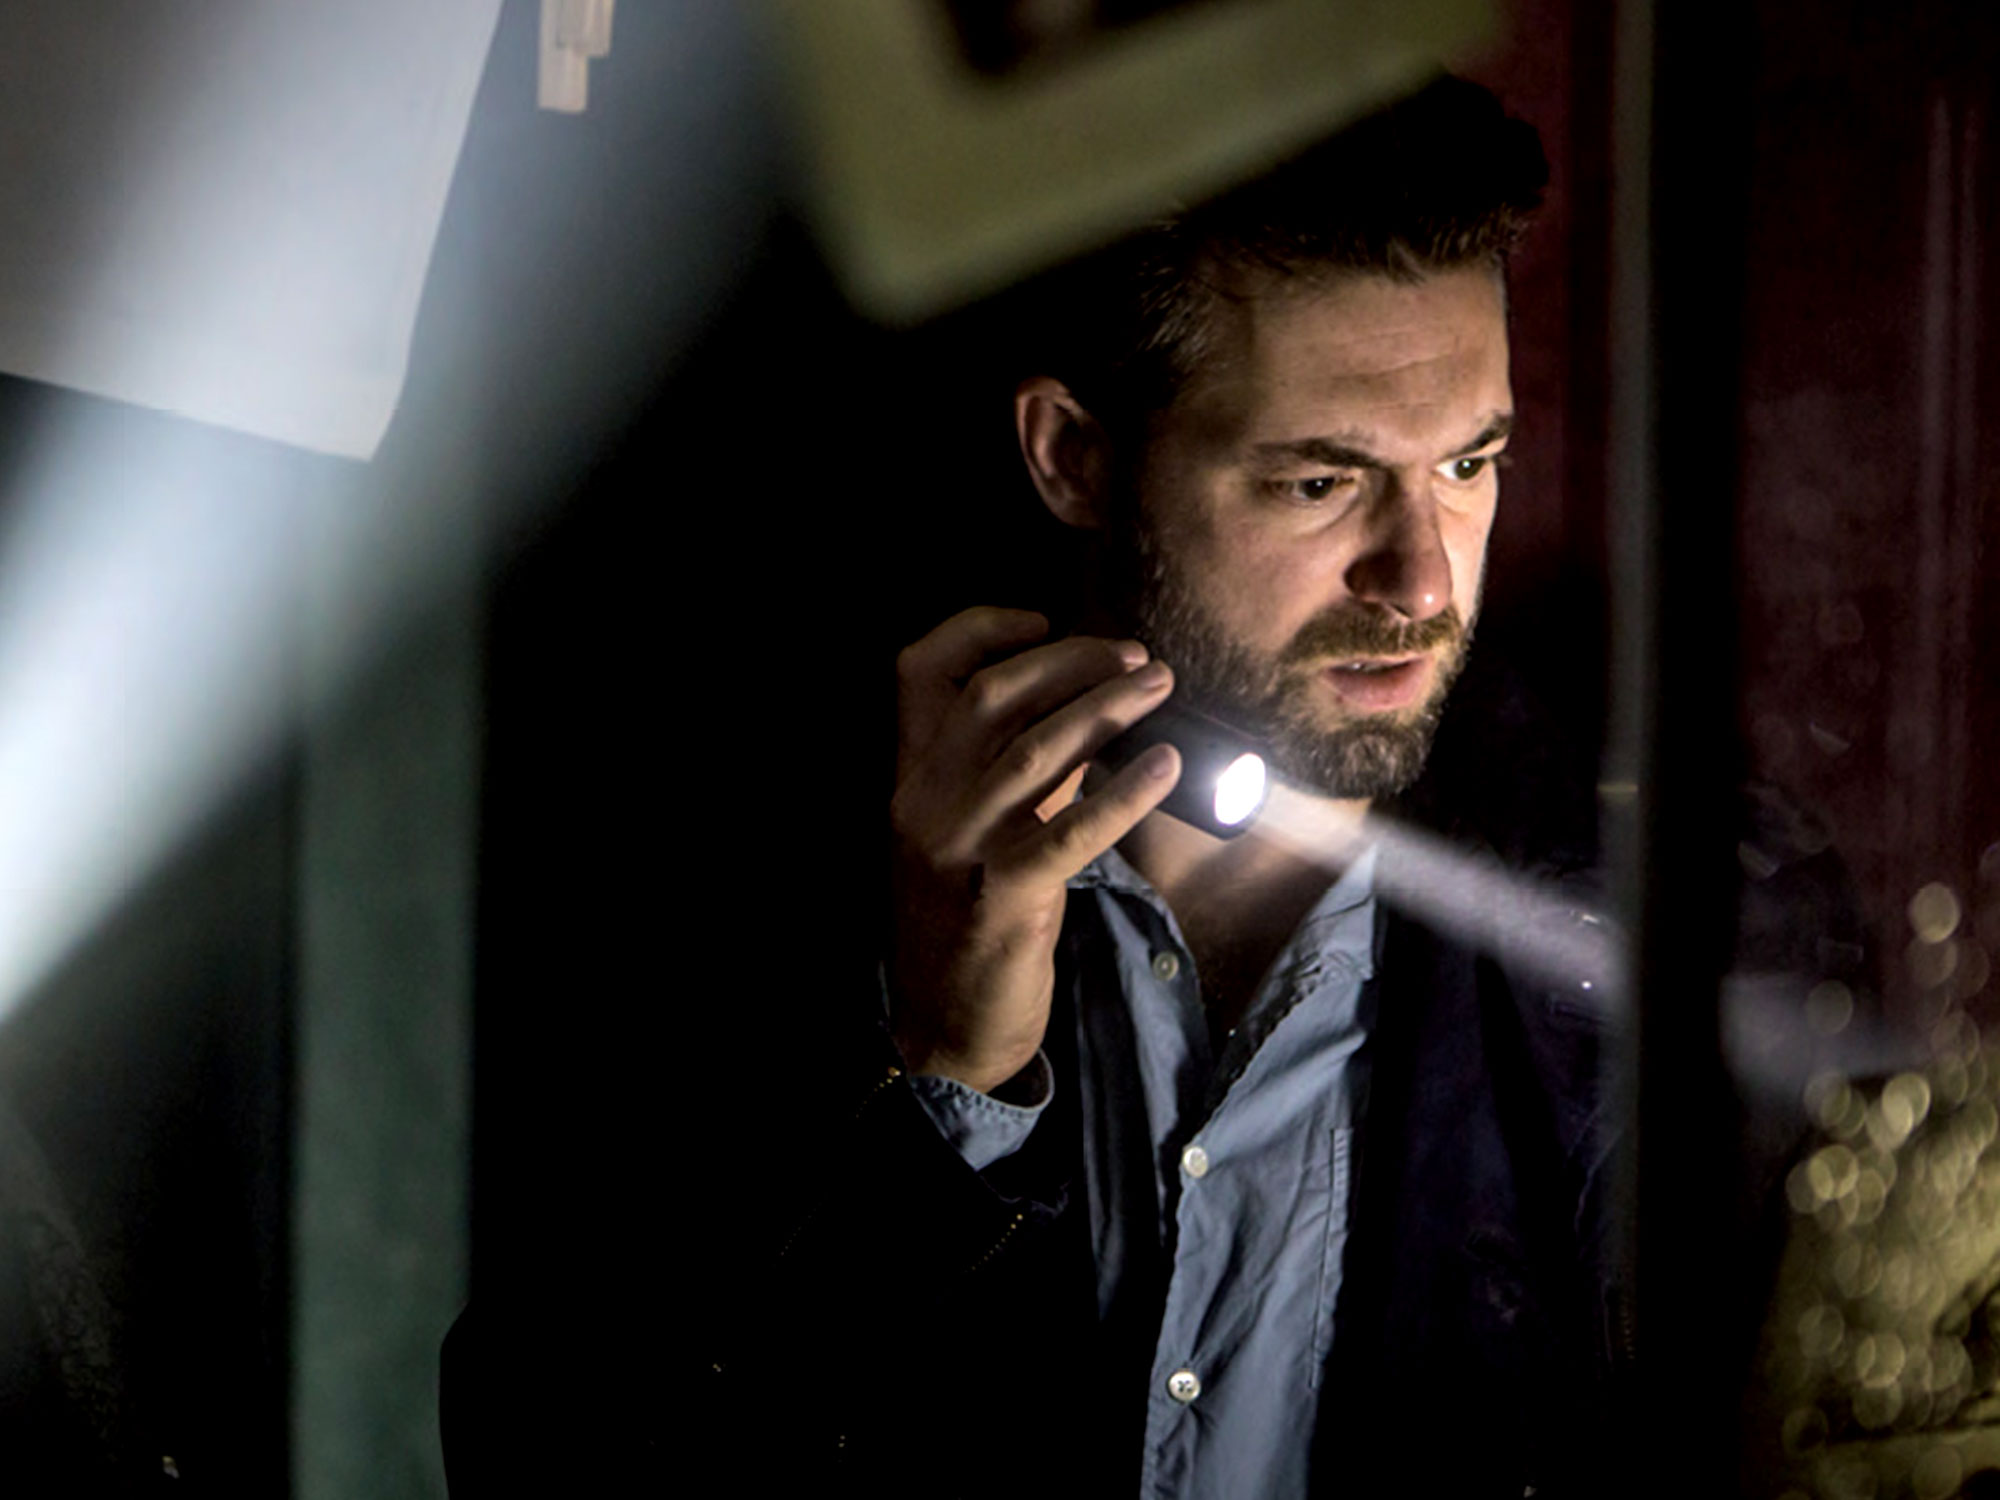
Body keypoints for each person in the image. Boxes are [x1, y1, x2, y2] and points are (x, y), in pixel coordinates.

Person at [448, 77, 1621, 1498]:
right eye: (1320, 484)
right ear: (1074, 456)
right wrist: (939, 1084)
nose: (1424, 579)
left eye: (1469, 463)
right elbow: (546, 1454)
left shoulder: (1651, 937)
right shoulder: (754, 861)